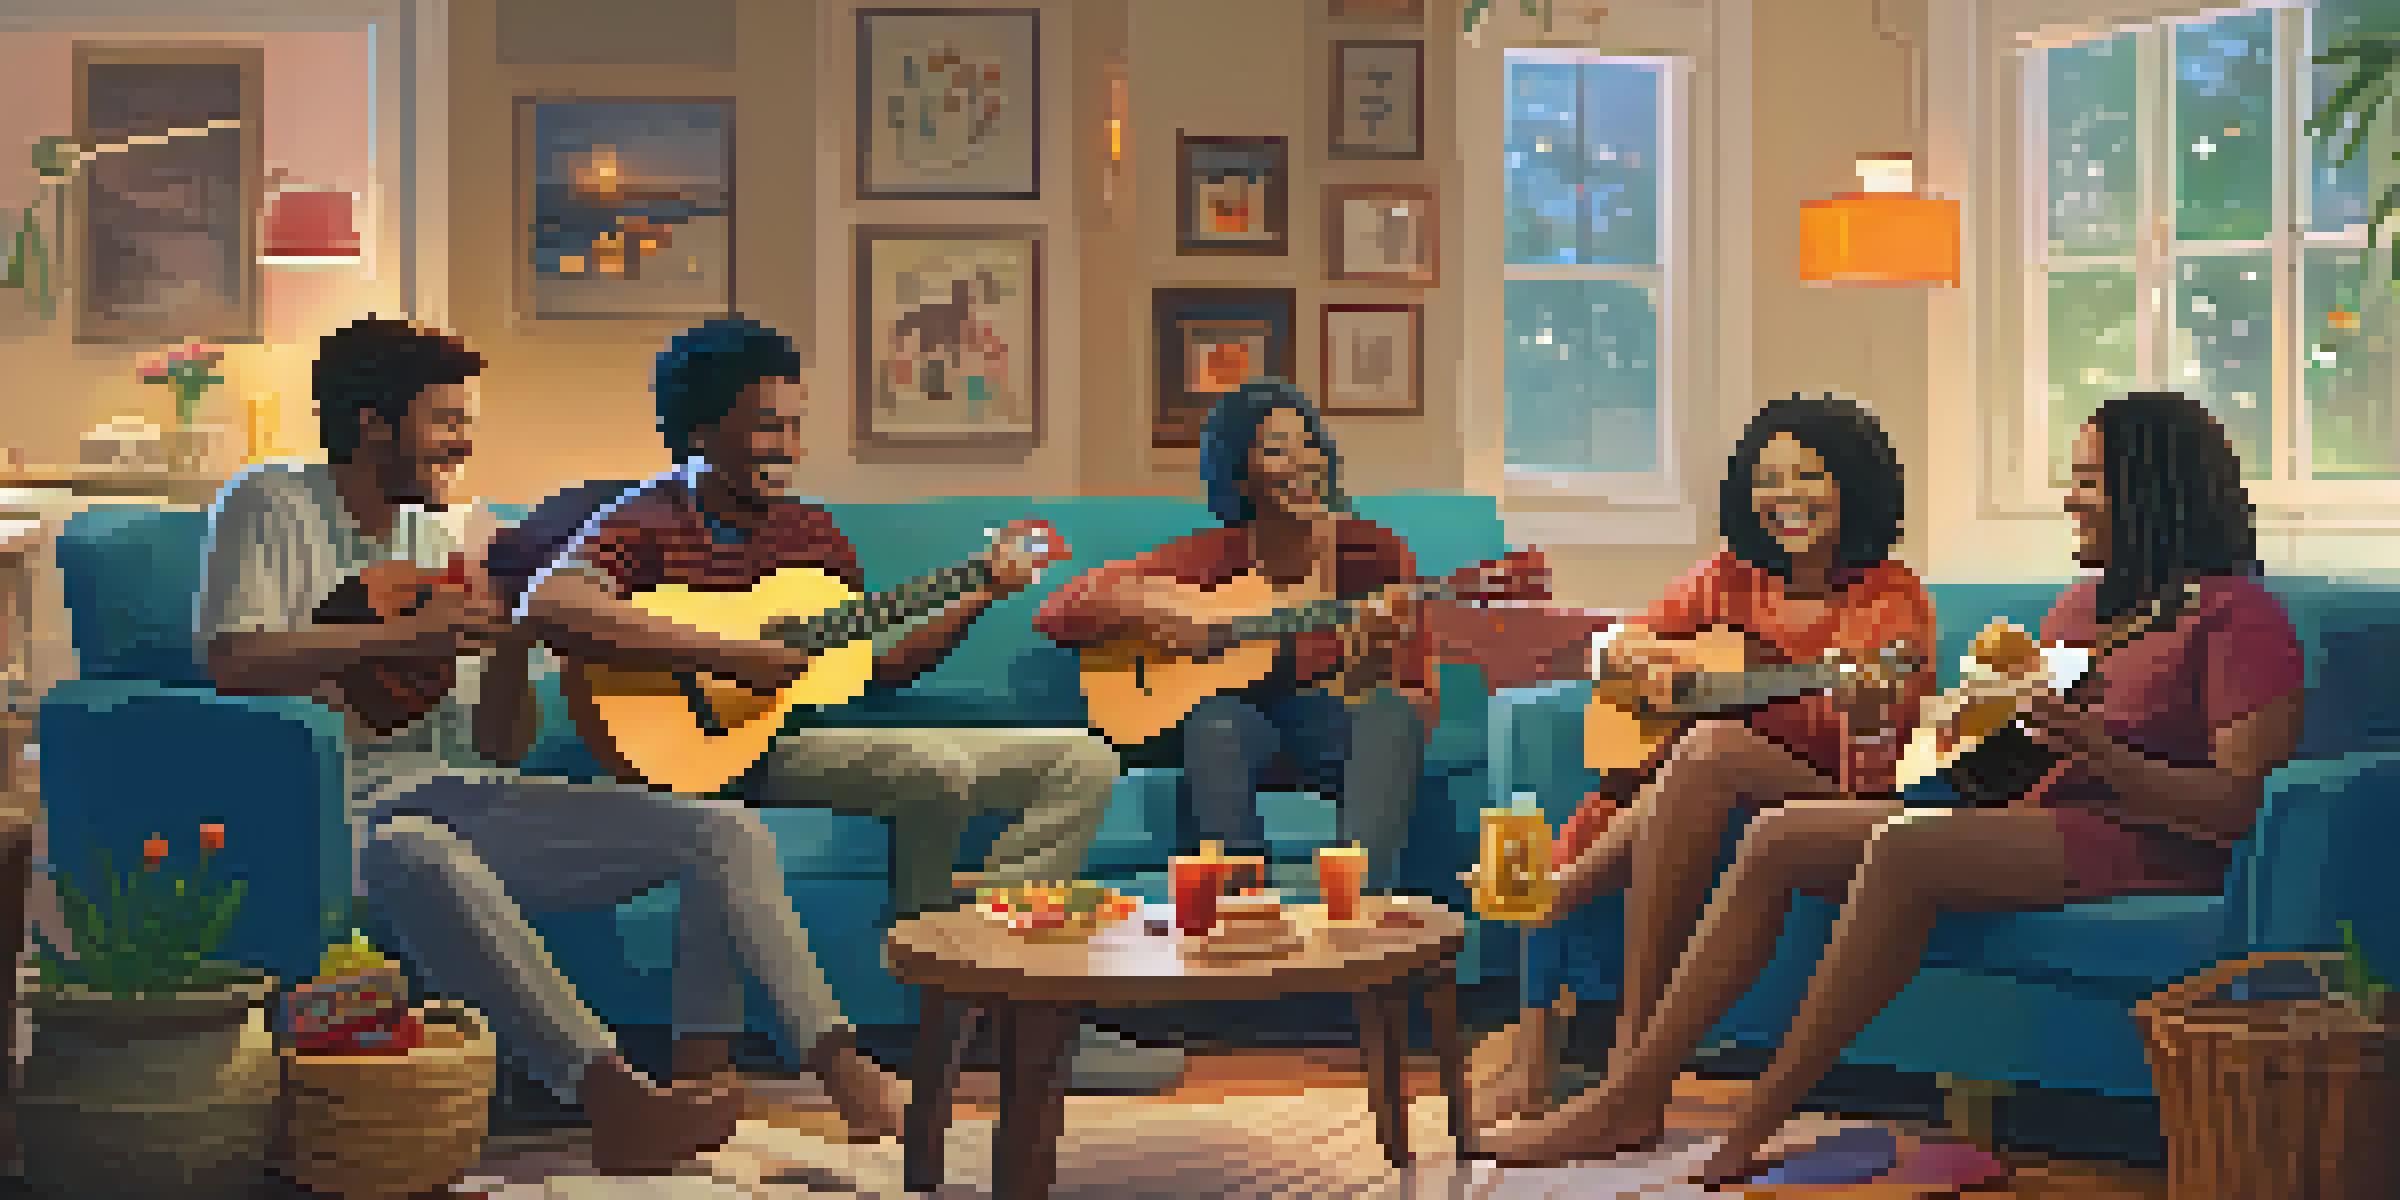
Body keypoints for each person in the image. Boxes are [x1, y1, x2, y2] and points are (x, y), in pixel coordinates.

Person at [1482, 390, 2307, 1182]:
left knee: (1902, 847)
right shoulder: (2081, 611)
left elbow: (2236, 806)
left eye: (2088, 481)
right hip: (2030, 823)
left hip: (2147, 846)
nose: (2069, 500)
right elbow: (2013, 767)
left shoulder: (2239, 619)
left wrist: (2100, 754)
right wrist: (1963, 738)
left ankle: (1754, 1119)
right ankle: (1637, 1091)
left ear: (2149, 491)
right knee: (1777, 836)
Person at [196, 316, 905, 1174]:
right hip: (335, 814)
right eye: (445, 418)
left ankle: (834, 1056)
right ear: (374, 424)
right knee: (416, 849)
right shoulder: (270, 502)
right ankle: (614, 1099)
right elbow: (232, 659)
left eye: (468, 418)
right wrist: (398, 642)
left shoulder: (452, 534)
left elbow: (497, 752)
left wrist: (507, 653)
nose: (465, 439)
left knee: (722, 829)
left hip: (454, 791)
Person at [520, 316, 1181, 1096]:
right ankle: (946, 998)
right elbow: (550, 603)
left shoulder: (811, 531)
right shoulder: (647, 518)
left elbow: (879, 673)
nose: (790, 447)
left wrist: (977, 594)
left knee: (1083, 759)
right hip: (708, 750)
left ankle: (1006, 993)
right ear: (700, 431)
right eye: (768, 426)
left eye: (797, 427)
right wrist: (727, 656)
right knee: (928, 766)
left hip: (813, 734)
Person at [1473, 392, 1937, 1128]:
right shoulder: (1726, 578)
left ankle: (1626, 1064)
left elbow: (1882, 736)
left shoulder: (1890, 597)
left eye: (1806, 475)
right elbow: (1610, 650)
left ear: (1853, 484)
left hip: (1830, 797)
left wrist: (1869, 703)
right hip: (1710, 792)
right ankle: (1579, 1066)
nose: (1783, 496)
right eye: (1767, 477)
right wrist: (1650, 664)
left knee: (1712, 747)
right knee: (1656, 778)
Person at [1033, 379, 1426, 889]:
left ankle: (1361, 912)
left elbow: (1410, 689)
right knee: (1215, 722)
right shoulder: (1214, 554)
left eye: (1309, 443)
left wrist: (1375, 652)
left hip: (1331, 724)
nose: (1302, 461)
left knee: (1392, 715)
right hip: (1240, 727)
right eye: (1276, 448)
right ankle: (1243, 913)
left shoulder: (1373, 554)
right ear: (1241, 476)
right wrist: (1172, 617)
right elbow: (1059, 611)